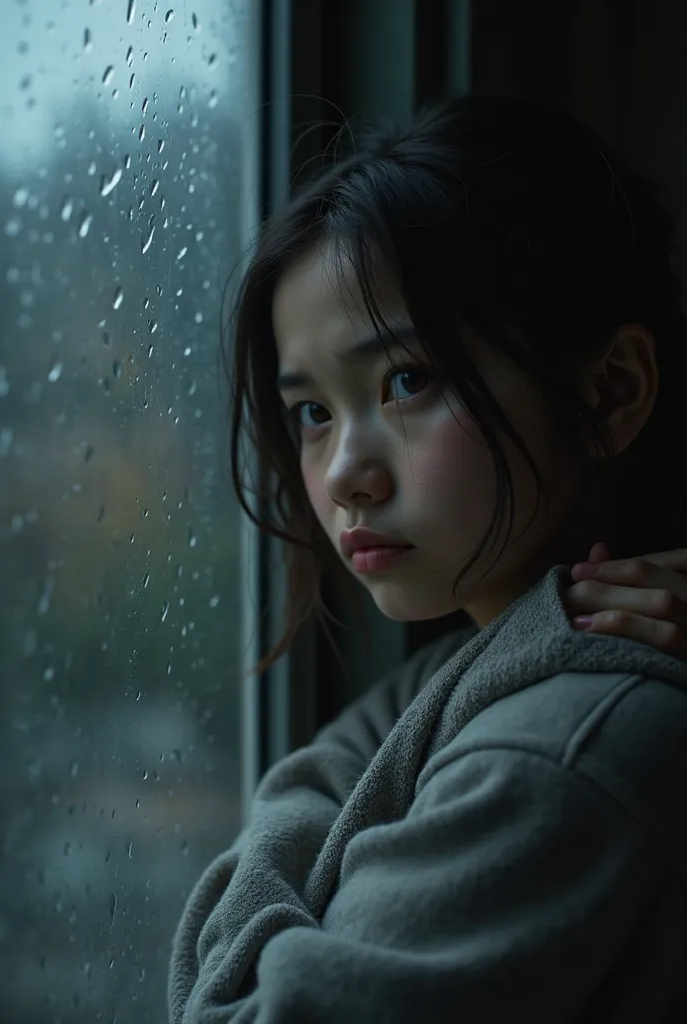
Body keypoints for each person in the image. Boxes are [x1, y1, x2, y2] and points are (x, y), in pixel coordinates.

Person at [168, 94, 687, 1022]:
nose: (345, 476)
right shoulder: (490, 678)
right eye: (312, 413)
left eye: (408, 380)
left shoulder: (566, 747)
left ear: (611, 392)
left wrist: (287, 819)